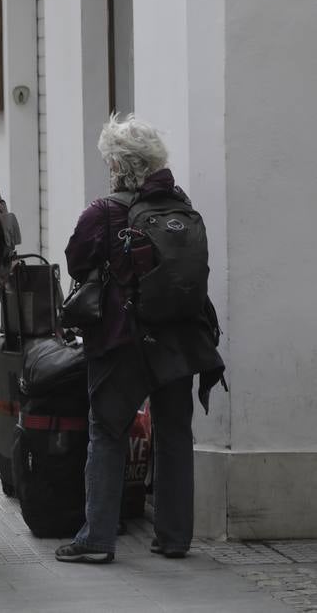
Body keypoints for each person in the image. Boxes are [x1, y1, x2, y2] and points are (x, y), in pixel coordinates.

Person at [55, 115, 225, 564]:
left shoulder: (104, 211)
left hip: (122, 340)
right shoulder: (180, 205)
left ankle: (97, 539)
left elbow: (76, 262)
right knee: (174, 435)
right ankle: (174, 538)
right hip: (181, 338)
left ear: (116, 164)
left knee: (107, 433)